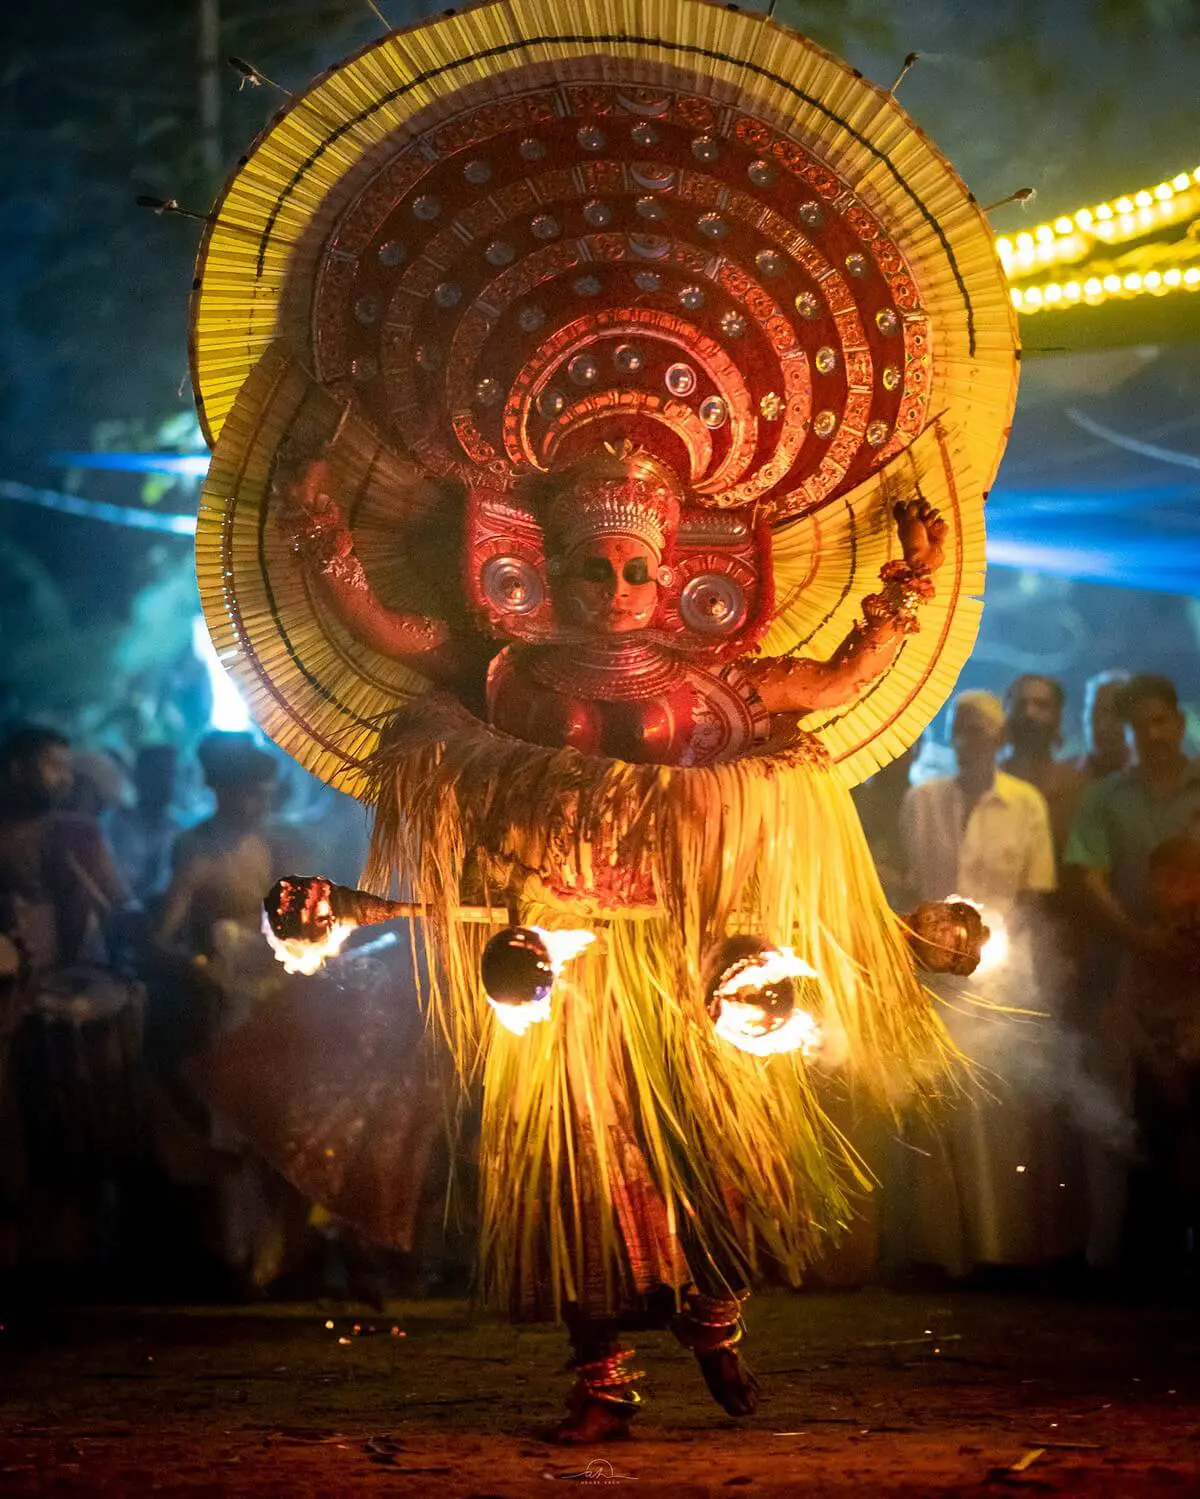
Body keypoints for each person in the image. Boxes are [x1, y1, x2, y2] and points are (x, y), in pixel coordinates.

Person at [188, 0, 1015, 1442]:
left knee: (714, 1165)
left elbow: (810, 697)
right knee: (583, 1175)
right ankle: (602, 1377)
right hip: (554, 970)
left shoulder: (719, 678)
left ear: (683, 566)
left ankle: (717, 1330)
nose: (621, 584)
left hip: (705, 961)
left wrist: (906, 596)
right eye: (593, 565)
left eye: (640, 566)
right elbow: (394, 644)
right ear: (539, 562)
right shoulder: (501, 672)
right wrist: (320, 537)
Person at [894, 690, 1066, 1279]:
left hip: (1002, 975)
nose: (971, 738)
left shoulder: (1026, 803)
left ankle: (1000, 1249)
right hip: (931, 973)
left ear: (999, 737)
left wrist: (1024, 978)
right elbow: (913, 879)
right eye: (961, 728)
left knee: (993, 1108)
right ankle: (941, 1251)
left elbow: (1036, 901)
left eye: (981, 729)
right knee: (934, 1099)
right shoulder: (924, 799)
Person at [1065, 674, 1200, 1278]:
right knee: (1152, 1102)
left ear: (1178, 721)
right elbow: (1086, 875)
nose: (1154, 733)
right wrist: (1137, 936)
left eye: (1162, 720)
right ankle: (1152, 1261)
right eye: (1141, 724)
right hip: (1140, 968)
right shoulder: (1106, 797)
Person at [1001, 674, 1086, 864]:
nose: (1030, 713)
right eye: (1021, 705)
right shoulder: (986, 782)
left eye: (1041, 705)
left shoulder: (1077, 786)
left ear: (1057, 717)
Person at [108, 744, 183, 906]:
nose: (166, 782)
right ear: (139, 777)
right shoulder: (115, 824)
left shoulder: (178, 830)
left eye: (170, 774)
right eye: (158, 774)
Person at [1077, 670, 1132, 783]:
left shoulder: (1155, 777)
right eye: (1096, 715)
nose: (1102, 726)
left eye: (1115, 714)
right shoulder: (1071, 778)